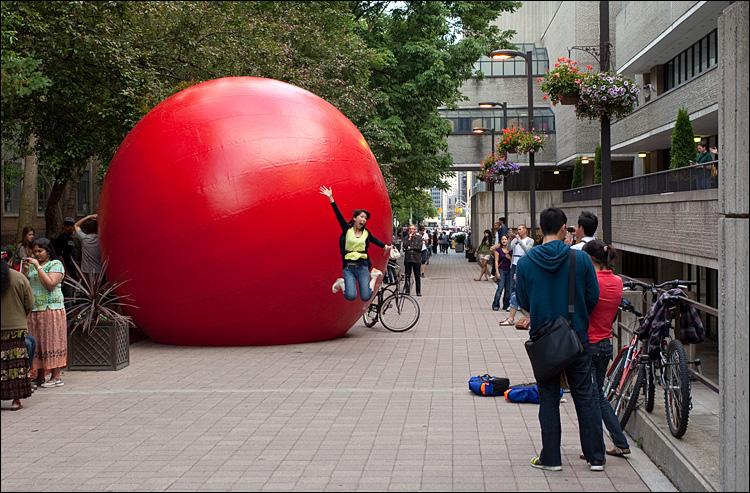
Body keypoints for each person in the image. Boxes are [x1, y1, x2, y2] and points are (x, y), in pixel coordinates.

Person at [515, 207, 605, 472]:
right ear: (565, 227)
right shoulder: (581, 260)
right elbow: (592, 296)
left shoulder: (528, 261)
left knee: (549, 397)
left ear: (540, 229)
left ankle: (551, 458)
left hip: (543, 339)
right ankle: (596, 457)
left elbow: (522, 301)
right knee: (585, 395)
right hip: (576, 335)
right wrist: (576, 317)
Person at [582, 240, 632, 458]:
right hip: (606, 343)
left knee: (593, 399)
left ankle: (598, 447)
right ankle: (619, 442)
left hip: (589, 344)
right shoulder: (618, 282)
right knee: (598, 395)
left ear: (591, 259)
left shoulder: (590, 281)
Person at [320, 186, 391, 301]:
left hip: (362, 266)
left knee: (366, 296)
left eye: (366, 218)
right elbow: (338, 215)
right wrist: (331, 198)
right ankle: (341, 283)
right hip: (349, 267)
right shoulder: (347, 229)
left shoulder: (366, 233)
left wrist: (386, 247)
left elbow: (374, 240)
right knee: (351, 295)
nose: (363, 220)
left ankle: (373, 277)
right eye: (361, 217)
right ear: (354, 218)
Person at [23, 238, 67, 388]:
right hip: (34, 309)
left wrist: (38, 267)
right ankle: (40, 376)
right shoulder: (35, 266)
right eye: (35, 251)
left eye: (40, 251)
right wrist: (26, 270)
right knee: (38, 343)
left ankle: (56, 377)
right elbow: (25, 284)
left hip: (51, 308)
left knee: (52, 341)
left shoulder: (56, 264)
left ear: (48, 251)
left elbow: (50, 284)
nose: (37, 254)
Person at [1, 252, 35, 410]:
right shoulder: (19, 278)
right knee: (16, 363)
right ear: (10, 260)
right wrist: (22, 315)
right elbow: (29, 303)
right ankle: (16, 400)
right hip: (16, 326)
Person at [54, 217, 79, 299]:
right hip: (66, 271)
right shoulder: (62, 238)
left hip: (72, 271)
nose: (70, 228)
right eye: (68, 226)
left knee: (72, 294)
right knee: (67, 294)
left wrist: (76, 271)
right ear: (64, 227)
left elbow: (73, 257)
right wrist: (65, 271)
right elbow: (59, 255)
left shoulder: (72, 239)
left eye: (72, 226)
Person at [74, 214, 103, 282]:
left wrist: (88, 217)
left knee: (86, 291)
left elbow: (76, 225)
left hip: (87, 271)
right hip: (100, 271)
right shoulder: (101, 239)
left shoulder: (84, 238)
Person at [508, 224, 534, 293]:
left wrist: (519, 240)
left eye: (520, 229)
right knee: (511, 285)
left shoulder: (530, 240)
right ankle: (511, 302)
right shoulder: (515, 239)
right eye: (517, 230)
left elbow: (527, 250)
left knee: (521, 285)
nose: (518, 231)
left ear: (525, 230)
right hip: (514, 263)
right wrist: (510, 239)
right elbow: (509, 248)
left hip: (523, 265)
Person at [491, 234, 512, 311]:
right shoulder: (498, 250)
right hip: (501, 270)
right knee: (500, 288)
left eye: (505, 239)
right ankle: (496, 304)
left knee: (508, 289)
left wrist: (510, 258)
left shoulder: (511, 250)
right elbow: (496, 262)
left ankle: (506, 304)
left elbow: (513, 261)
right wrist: (497, 272)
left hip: (509, 271)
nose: (504, 241)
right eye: (502, 239)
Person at [402, 224, 423, 296]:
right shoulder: (406, 238)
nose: (411, 230)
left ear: (415, 230)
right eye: (410, 229)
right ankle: (407, 291)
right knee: (407, 275)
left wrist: (410, 248)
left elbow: (419, 247)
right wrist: (409, 238)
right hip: (408, 259)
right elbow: (405, 245)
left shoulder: (419, 238)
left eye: (413, 229)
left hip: (416, 259)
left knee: (417, 276)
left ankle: (418, 291)